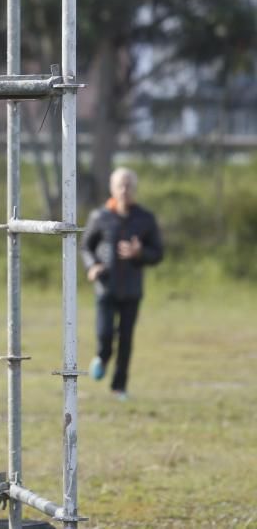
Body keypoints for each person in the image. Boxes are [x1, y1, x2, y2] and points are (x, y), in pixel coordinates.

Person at [81, 167, 163, 401]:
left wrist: (140, 253)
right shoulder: (100, 216)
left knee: (126, 339)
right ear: (112, 188)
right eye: (120, 185)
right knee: (105, 333)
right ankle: (103, 356)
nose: (124, 190)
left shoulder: (145, 219)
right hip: (106, 286)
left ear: (134, 189)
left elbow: (157, 253)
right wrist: (92, 266)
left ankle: (119, 387)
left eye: (128, 185)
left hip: (132, 289)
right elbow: (85, 246)